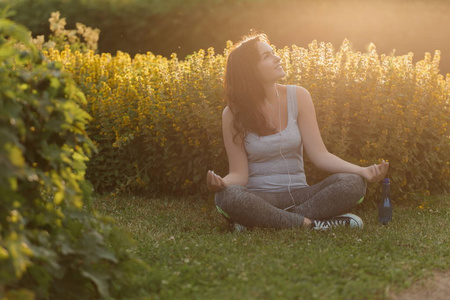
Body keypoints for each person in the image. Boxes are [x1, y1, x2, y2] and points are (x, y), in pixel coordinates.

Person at [206, 33, 389, 231]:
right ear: (250, 70)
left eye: (273, 52)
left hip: (301, 195)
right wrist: (221, 183)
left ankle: (264, 222)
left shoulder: (299, 96)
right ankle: (312, 224)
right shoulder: (233, 113)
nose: (277, 58)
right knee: (227, 196)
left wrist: (361, 170)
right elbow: (239, 175)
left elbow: (320, 155)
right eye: (266, 57)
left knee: (353, 183)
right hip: (259, 198)